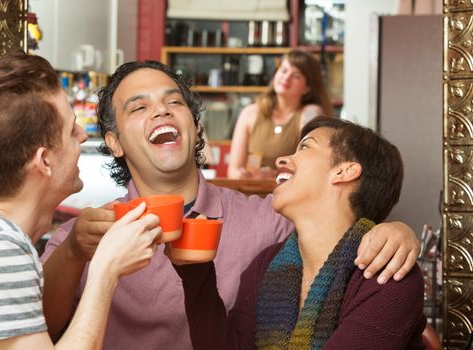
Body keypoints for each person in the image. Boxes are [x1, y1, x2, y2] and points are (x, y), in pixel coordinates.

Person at [41, 60, 421, 349]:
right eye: (138, 108)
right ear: (115, 142)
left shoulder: (266, 221)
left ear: (194, 125)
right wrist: (75, 252)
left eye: (174, 102)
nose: (161, 111)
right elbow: (37, 329)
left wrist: (395, 230)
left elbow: (337, 228)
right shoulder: (84, 235)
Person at [0, 53, 161, 350]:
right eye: (71, 130)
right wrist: (106, 269)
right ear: (44, 161)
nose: (83, 136)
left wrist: (74, 249)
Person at [171, 117, 425, 349]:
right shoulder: (264, 265)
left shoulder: (387, 272)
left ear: (344, 171)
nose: (282, 160)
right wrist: (195, 271)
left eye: (305, 147)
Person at [228, 50, 332, 179]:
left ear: (307, 88)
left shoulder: (310, 114)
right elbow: (233, 172)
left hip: (291, 195)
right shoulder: (250, 113)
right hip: (251, 194)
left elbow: (314, 172)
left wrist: (273, 176)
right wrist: (243, 175)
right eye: (283, 70)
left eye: (296, 76)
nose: (286, 78)